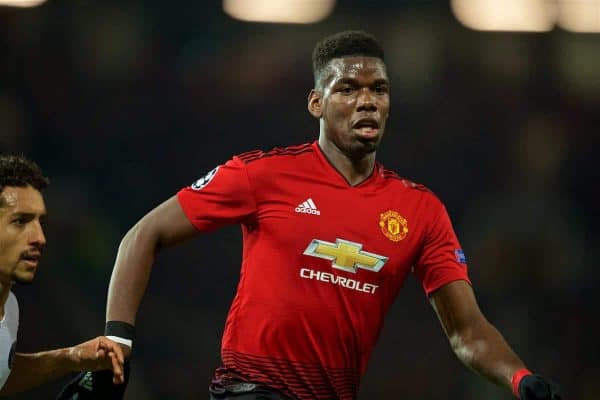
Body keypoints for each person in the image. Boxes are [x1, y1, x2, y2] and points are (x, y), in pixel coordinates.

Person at [102, 31, 561, 399]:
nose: (367, 101)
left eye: (378, 89)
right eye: (348, 88)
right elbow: (143, 235)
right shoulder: (262, 174)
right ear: (316, 103)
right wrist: (116, 345)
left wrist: (519, 378)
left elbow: (467, 331)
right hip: (250, 389)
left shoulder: (420, 210)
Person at [0, 154, 125, 396]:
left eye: (40, 221)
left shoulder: (10, 306)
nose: (40, 237)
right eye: (20, 221)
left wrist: (71, 356)